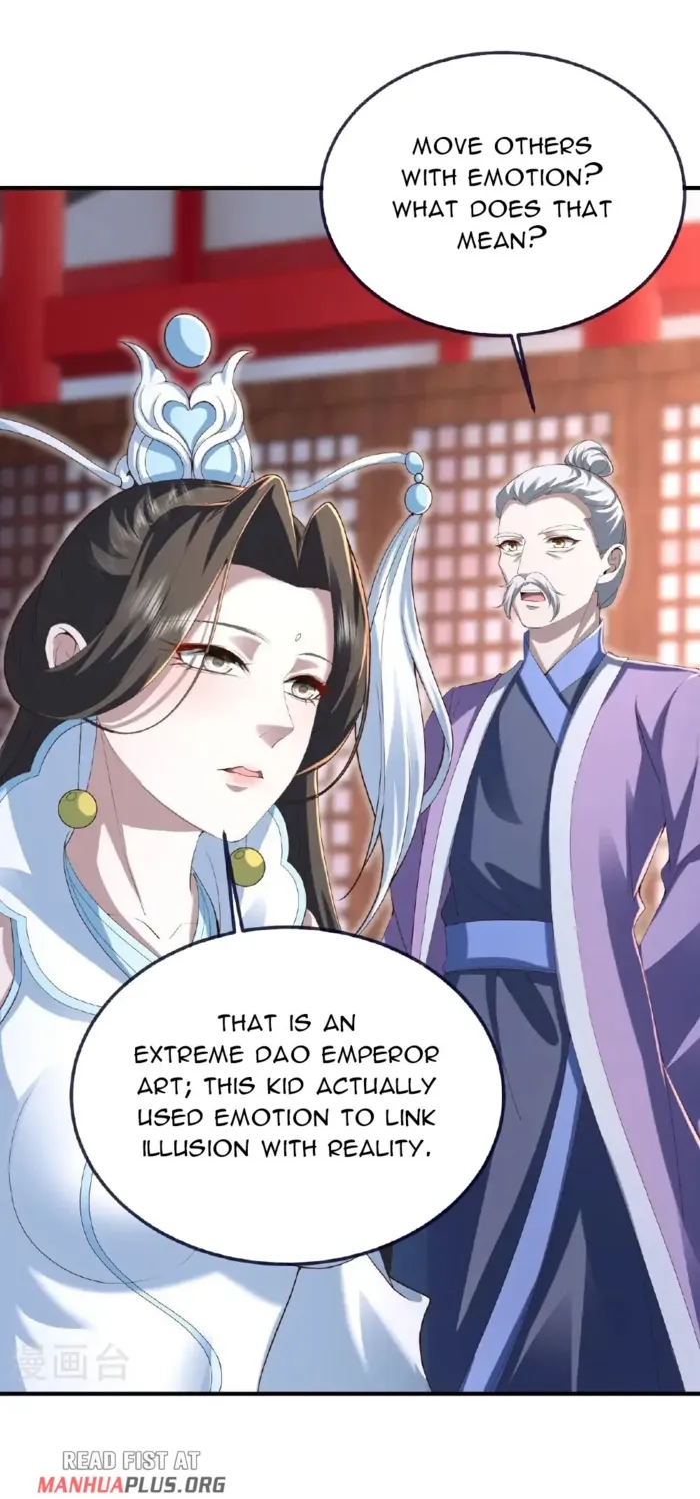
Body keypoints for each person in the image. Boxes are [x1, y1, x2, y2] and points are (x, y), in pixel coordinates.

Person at [0, 295, 411, 1388]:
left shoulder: (272, 921)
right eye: (221, 658)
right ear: (79, 656)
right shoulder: (12, 924)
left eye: (305, 681)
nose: (273, 721)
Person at [381, 453, 700, 1387]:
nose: (528, 564)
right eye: (510, 545)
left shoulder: (664, 701)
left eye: (558, 542)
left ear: (608, 562)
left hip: (590, 1022)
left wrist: (646, 1003)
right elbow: (415, 888)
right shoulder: (461, 716)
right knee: (467, 1256)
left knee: (591, 1244)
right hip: (461, 1019)